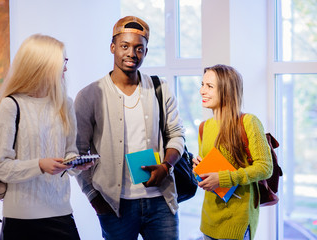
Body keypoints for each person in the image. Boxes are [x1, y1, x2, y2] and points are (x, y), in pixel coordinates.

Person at [74, 16, 185, 240]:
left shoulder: (159, 88)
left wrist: (166, 166)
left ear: (145, 51)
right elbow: (77, 152)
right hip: (115, 206)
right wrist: (94, 197)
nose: (132, 54)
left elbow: (176, 135)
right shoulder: (90, 95)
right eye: (124, 46)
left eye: (139, 48)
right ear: (112, 47)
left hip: (160, 202)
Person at [0, 34, 93, 240]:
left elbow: (69, 152)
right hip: (21, 219)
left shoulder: (66, 104)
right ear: (42, 65)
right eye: (62, 62)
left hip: (60, 213)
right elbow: (0, 167)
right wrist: (39, 165)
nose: (65, 68)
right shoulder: (12, 105)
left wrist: (74, 164)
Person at [193, 64, 273, 240]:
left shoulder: (248, 122)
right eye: (202, 84)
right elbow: (209, 173)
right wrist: (198, 168)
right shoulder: (204, 127)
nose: (202, 91)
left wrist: (223, 178)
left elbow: (265, 167)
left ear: (227, 91)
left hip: (237, 220)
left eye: (209, 86)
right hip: (208, 220)